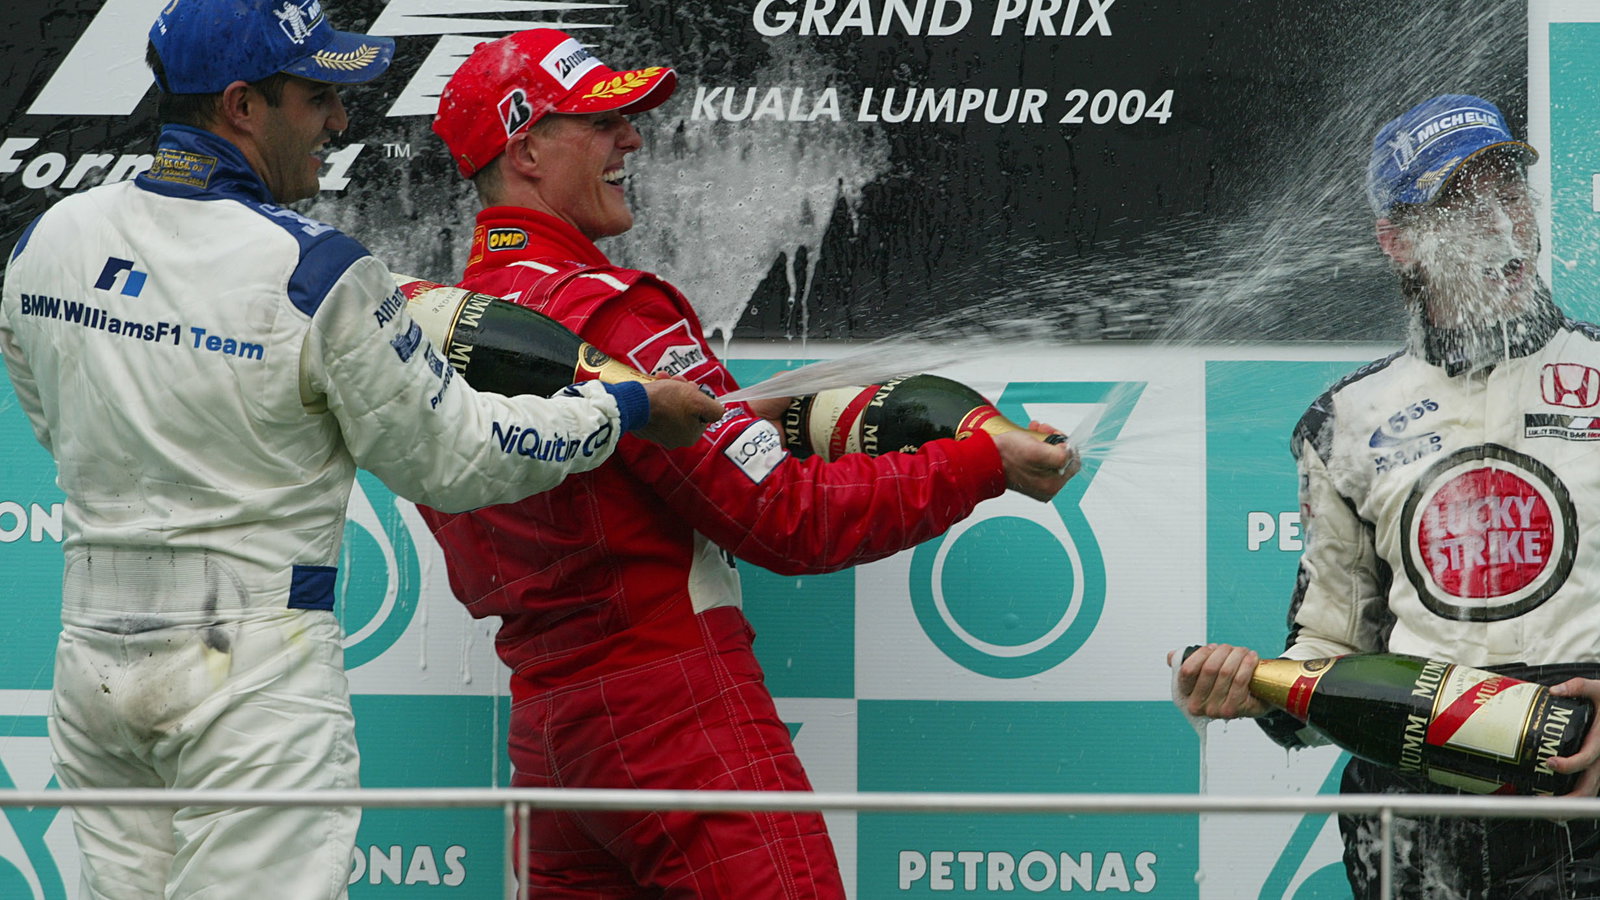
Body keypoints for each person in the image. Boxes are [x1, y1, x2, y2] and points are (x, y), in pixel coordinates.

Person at [0, 3, 722, 898]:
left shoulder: (49, 238)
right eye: (318, 97)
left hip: (93, 663)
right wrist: (621, 405)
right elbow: (455, 459)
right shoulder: (315, 269)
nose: (339, 121)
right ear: (240, 107)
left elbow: (50, 414)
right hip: (249, 669)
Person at [420, 28, 1079, 898]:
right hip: (675, 720)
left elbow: (621, 476)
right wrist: (981, 466)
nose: (633, 140)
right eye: (603, 121)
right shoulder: (608, 311)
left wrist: (779, 419)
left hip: (551, 743)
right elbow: (783, 517)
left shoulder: (436, 327)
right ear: (527, 149)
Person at [1174, 94, 1600, 898]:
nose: (1501, 228)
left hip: (1582, 787)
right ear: (1398, 242)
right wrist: (1252, 686)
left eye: (1508, 195)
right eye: (1462, 205)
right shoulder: (1343, 422)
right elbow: (1330, 648)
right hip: (1412, 811)